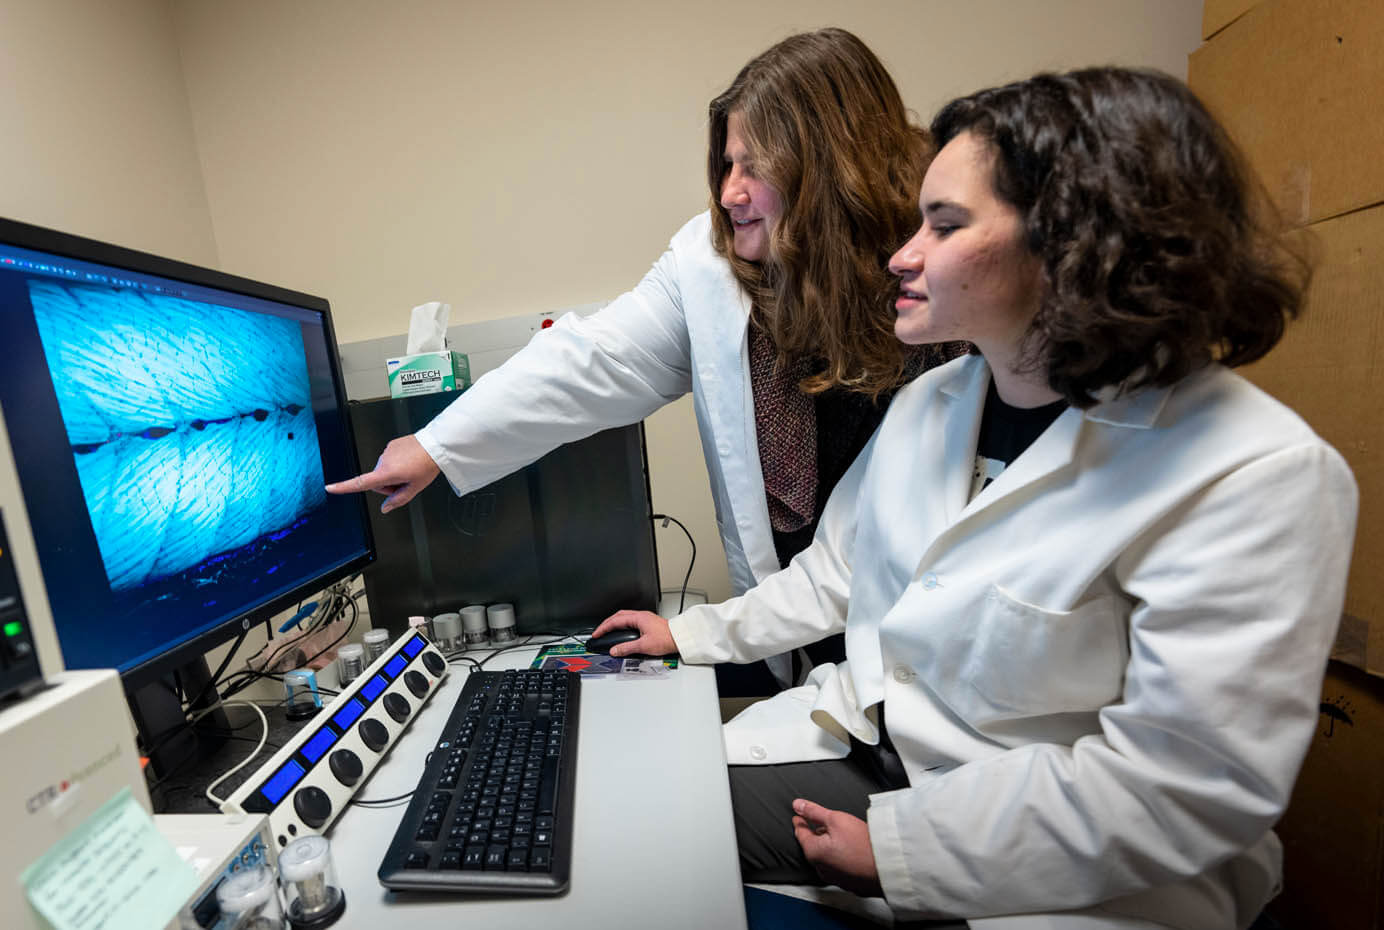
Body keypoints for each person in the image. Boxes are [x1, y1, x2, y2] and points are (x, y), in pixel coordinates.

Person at [590, 67, 1358, 928]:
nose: (902, 254)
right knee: (624, 818)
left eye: (943, 225)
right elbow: (832, 575)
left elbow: (1181, 786)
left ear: (1072, 243)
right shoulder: (935, 400)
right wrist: (686, 634)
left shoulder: (1253, 470)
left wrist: (908, 849)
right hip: (879, 751)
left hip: (1068, 858)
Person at [328, 28, 949, 691]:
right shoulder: (713, 269)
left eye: (757, 167)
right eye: (725, 165)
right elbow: (588, 363)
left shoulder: (942, 282)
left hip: (932, 647)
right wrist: (435, 444)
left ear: (830, 166)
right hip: (806, 617)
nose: (730, 193)